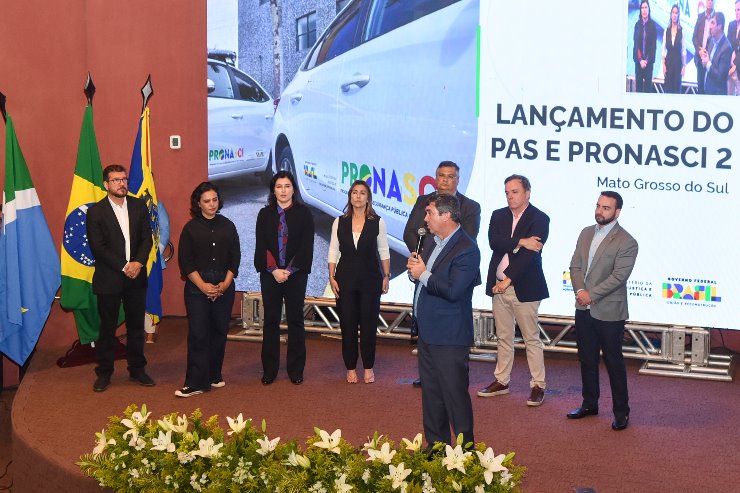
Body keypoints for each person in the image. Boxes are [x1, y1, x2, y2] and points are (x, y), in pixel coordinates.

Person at [407, 193, 480, 446]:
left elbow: (453, 291)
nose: (425, 218)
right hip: (428, 332)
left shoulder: (467, 248)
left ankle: (465, 453)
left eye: (429, 213)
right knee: (432, 396)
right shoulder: (431, 241)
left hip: (449, 336)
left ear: (446, 215)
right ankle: (436, 447)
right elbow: (424, 280)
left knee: (454, 398)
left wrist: (423, 274)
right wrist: (415, 273)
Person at [403, 160, 480, 387]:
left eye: (450, 176)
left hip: (454, 274)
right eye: (441, 175)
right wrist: (423, 261)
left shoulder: (470, 206)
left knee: (451, 328)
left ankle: (454, 374)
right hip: (424, 269)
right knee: (425, 318)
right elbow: (410, 232)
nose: (445, 180)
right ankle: (428, 371)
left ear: (458, 180)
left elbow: (467, 238)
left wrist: (431, 265)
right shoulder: (423, 201)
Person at [566, 191, 638, 431]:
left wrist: (591, 294)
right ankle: (589, 404)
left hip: (609, 311)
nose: (599, 211)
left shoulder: (627, 241)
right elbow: (575, 266)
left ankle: (621, 413)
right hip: (583, 306)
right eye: (598, 206)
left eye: (606, 208)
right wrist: (580, 291)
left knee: (613, 362)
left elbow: (619, 277)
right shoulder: (586, 232)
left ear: (617, 212)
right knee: (586, 359)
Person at [477, 175, 549, 406]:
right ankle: (502, 381)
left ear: (528, 193)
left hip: (525, 287)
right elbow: (494, 242)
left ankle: (538, 385)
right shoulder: (498, 215)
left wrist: (508, 280)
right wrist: (521, 241)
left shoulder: (540, 218)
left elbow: (530, 255)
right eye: (507, 192)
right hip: (499, 287)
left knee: (531, 338)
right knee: (503, 336)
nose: (510, 196)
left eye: (515, 192)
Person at [86, 164, 154, 392]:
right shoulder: (96, 212)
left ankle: (137, 370)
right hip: (109, 278)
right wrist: (125, 266)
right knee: (107, 329)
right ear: (106, 184)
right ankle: (104, 373)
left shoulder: (138, 205)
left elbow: (147, 238)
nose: (122, 183)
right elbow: (98, 247)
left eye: (124, 179)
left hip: (136, 276)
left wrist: (138, 263)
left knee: (136, 327)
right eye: (116, 180)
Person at [175, 182, 240, 398]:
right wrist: (203, 286)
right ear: (198, 204)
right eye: (207, 201)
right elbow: (186, 262)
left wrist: (226, 284)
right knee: (198, 333)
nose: (212, 204)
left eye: (215, 200)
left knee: (219, 331)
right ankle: (195, 382)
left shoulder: (228, 226)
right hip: (197, 288)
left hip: (224, 286)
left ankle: (214, 375)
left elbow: (235, 257)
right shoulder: (190, 229)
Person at [254, 171, 314, 385]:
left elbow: (306, 245)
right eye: (279, 186)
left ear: (293, 189)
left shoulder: (304, 213)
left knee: (295, 320)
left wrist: (288, 270)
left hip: (295, 274)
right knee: (270, 321)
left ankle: (296, 370)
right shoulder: (264, 214)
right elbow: (261, 244)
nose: (283, 191)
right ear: (273, 190)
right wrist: (274, 270)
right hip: (270, 274)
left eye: (287, 186)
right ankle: (269, 370)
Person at [328, 180, 390, 384]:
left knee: (369, 325)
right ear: (350, 196)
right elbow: (333, 250)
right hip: (344, 280)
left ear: (368, 198)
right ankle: (350, 367)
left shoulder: (377, 222)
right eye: (354, 192)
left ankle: (369, 367)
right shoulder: (339, 222)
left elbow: (383, 250)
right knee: (348, 325)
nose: (358, 196)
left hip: (370, 281)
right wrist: (331, 276)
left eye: (362, 193)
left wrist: (386, 275)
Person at [145, 200, 170, 344]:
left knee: (151, 294)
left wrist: (154, 254)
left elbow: (165, 230)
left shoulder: (157, 205)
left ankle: (150, 331)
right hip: (130, 260)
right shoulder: (126, 203)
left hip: (152, 260)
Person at [701, 12, 732, 95]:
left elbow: (720, 76)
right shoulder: (711, 40)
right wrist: (704, 60)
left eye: (713, 23)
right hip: (707, 90)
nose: (710, 27)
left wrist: (707, 63)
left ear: (719, 26)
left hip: (717, 95)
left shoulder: (727, 48)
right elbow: (709, 64)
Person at [633, 0, 657, 93]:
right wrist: (640, 60)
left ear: (649, 9)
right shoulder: (637, 25)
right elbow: (636, 45)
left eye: (646, 7)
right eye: (642, 8)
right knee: (638, 89)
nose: (644, 10)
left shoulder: (653, 26)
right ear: (640, 10)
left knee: (647, 90)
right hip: (639, 63)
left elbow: (653, 46)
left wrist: (646, 61)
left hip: (648, 63)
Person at [662, 4, 686, 94]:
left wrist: (684, 66)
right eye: (673, 13)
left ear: (678, 15)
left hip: (678, 65)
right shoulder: (666, 30)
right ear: (671, 14)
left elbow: (684, 50)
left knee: (676, 91)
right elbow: (663, 49)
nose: (674, 15)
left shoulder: (681, 31)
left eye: (676, 13)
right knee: (668, 90)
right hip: (668, 64)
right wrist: (663, 65)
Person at [692, 0, 715, 95]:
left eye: (712, 0)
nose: (710, 2)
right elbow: (694, 37)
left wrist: (706, 53)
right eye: (708, 0)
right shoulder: (700, 17)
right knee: (700, 86)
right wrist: (700, 50)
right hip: (699, 57)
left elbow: (716, 39)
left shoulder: (716, 18)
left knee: (710, 87)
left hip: (711, 59)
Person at [728, 1, 740, 95]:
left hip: (738, 69)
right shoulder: (731, 25)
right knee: (729, 98)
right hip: (730, 69)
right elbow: (728, 46)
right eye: (735, 10)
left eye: (739, 10)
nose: (736, 12)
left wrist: (735, 66)